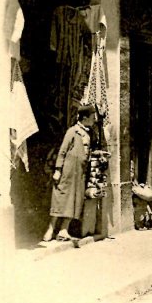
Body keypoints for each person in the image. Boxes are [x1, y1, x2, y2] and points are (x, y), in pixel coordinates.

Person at [43, 104, 97, 242]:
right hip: (67, 171)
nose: (94, 119)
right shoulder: (72, 132)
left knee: (75, 200)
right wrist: (58, 170)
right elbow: (62, 151)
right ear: (84, 118)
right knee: (60, 198)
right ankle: (50, 229)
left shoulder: (89, 132)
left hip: (79, 173)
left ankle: (63, 230)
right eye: (92, 117)